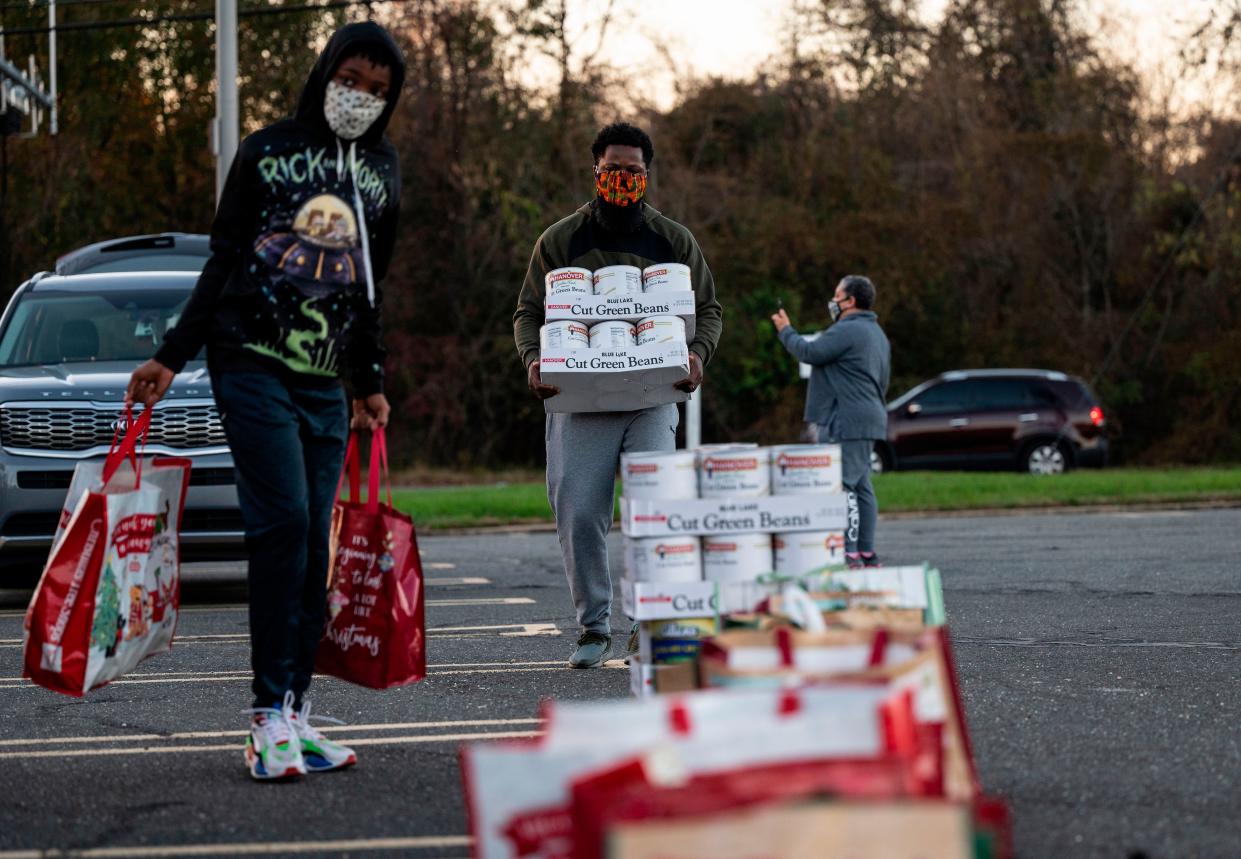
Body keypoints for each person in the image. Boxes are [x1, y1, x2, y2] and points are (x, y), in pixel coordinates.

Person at [125, 22, 405, 781]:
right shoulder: (268, 149)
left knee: (314, 539)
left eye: (379, 91)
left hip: (322, 380)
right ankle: (263, 716)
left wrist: (368, 381)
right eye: (352, 80)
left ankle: (296, 711)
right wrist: (170, 354)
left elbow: (369, 289)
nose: (362, 99)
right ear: (326, 73)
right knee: (281, 522)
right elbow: (222, 255)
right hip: (247, 358)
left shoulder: (382, 170)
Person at [514, 122, 724, 669]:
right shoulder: (560, 241)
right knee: (580, 514)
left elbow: (709, 310)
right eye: (613, 170)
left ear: (647, 175)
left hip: (653, 396)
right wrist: (534, 359)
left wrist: (697, 353)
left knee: (653, 512)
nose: (623, 179)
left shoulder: (673, 241)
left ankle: (649, 626)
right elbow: (528, 313)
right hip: (579, 400)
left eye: (633, 171)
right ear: (596, 170)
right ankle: (593, 627)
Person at [772, 275, 890, 569]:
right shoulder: (876, 333)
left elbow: (809, 352)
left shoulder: (847, 329)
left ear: (850, 301)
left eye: (837, 295)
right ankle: (866, 553)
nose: (833, 301)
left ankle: (848, 553)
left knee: (844, 486)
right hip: (869, 416)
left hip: (848, 420)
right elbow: (883, 380)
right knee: (862, 486)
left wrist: (786, 330)